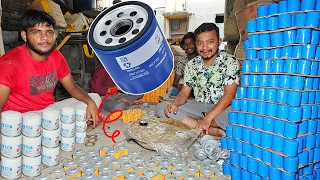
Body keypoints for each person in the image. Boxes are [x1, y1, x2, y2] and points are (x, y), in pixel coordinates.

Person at [0, 10, 99, 127]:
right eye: (36, 32)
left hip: (48, 111)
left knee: (94, 98)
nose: (44, 38)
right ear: (24, 36)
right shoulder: (9, 63)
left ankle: (55, 130)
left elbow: (72, 87)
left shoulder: (56, 56)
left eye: (49, 32)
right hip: (20, 118)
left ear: (55, 35)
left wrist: (90, 102)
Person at [156, 23, 240, 139]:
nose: (205, 48)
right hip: (198, 106)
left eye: (210, 42)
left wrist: (207, 119)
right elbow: (184, 93)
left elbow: (229, 96)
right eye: (200, 43)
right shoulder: (192, 64)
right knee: (162, 108)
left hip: (222, 107)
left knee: (239, 113)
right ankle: (208, 130)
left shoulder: (230, 62)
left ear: (219, 41)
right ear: (196, 44)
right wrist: (174, 104)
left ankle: (192, 124)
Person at [168, 32, 197, 96]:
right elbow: (175, 82)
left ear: (195, 44)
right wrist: (179, 86)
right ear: (183, 47)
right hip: (185, 90)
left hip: (198, 91)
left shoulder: (201, 58)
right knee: (170, 90)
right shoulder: (182, 60)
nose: (188, 47)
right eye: (186, 44)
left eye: (191, 43)